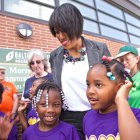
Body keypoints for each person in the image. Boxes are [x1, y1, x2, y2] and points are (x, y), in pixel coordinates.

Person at [48, 3, 111, 139]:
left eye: (62, 30)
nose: (60, 36)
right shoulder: (54, 56)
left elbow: (111, 82)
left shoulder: (100, 50)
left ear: (75, 25)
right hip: (68, 118)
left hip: (98, 114)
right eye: (56, 32)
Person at [83, 56, 140, 140]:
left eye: (98, 85)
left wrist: (121, 99)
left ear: (119, 88)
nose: (90, 91)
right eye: (88, 85)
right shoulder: (88, 117)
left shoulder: (136, 116)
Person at [22, 49, 53, 114]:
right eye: (32, 63)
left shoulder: (52, 78)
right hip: (31, 116)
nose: (35, 65)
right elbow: (25, 98)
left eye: (38, 62)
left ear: (43, 62)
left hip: (48, 116)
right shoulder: (28, 81)